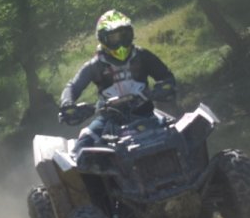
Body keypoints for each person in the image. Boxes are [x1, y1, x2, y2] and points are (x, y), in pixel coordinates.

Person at [59, 9, 177, 153]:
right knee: (80, 149)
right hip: (108, 119)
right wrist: (67, 103)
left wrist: (163, 88)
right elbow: (72, 86)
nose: (120, 42)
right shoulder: (95, 65)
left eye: (124, 35)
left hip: (146, 114)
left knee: (178, 137)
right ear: (103, 39)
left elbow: (166, 76)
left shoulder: (143, 56)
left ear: (131, 34)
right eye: (114, 38)